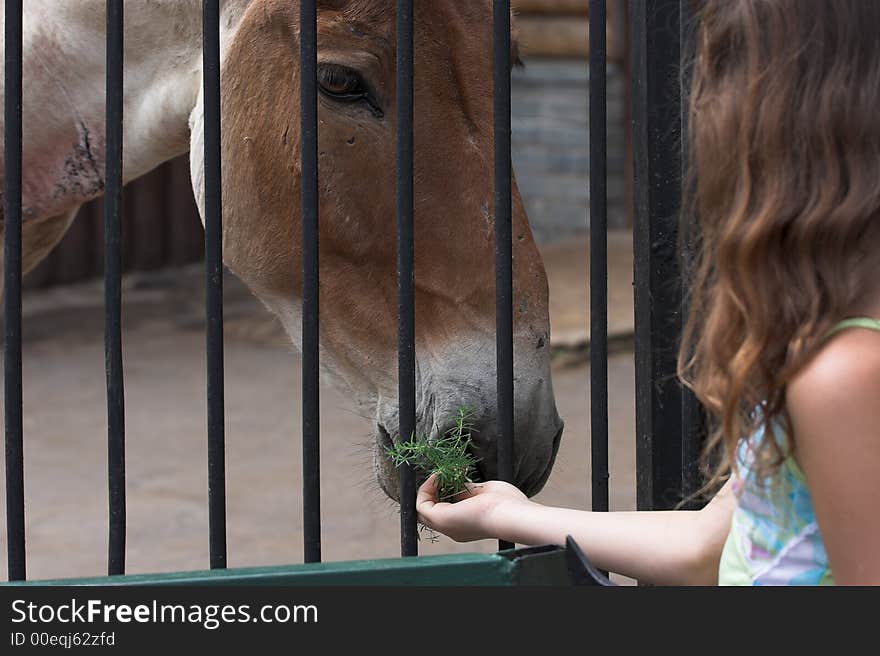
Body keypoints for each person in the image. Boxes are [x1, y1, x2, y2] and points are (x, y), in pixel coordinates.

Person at [416, 0, 880, 585]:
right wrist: (511, 514)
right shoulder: (826, 347)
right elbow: (709, 548)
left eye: (727, 71)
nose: (702, 104)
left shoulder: (845, 375)